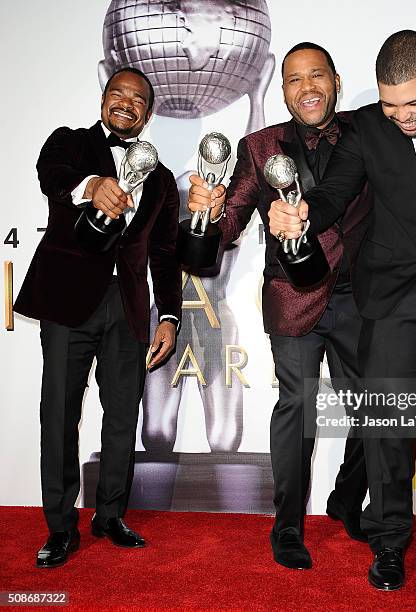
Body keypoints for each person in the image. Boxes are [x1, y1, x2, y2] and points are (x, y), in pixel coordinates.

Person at [188, 42, 416, 571]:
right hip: (343, 298)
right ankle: (344, 532)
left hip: (415, 297)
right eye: (392, 106)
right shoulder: (326, 134)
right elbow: (326, 196)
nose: (403, 116)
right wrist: (278, 218)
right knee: (346, 416)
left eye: (412, 104)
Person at [14, 67, 182, 568]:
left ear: (148, 115)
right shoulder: (69, 144)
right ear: (104, 99)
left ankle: (109, 514)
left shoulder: (162, 180)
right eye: (118, 94)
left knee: (123, 415)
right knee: (59, 416)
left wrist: (170, 315)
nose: (126, 103)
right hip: (68, 301)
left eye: (138, 99)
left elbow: (167, 253)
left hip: (127, 308)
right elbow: (53, 176)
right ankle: (61, 527)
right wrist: (93, 185)